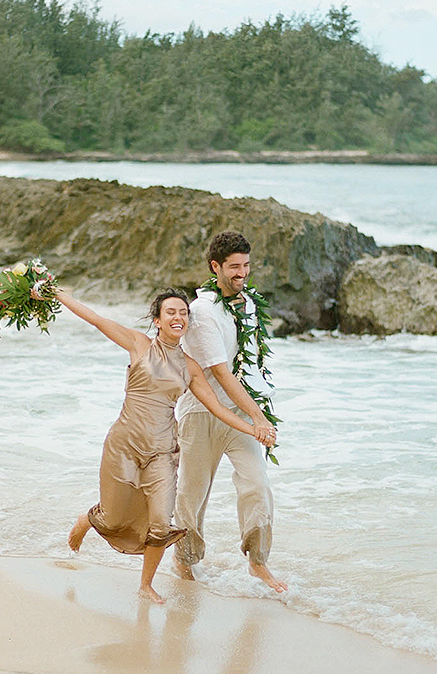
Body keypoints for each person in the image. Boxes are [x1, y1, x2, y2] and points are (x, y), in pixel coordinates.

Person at [48, 286, 276, 604]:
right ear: (157, 319)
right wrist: (57, 294)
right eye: (170, 312)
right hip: (124, 444)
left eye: (183, 313)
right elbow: (96, 320)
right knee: (113, 519)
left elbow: (218, 409)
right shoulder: (138, 345)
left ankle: (145, 585)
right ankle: (89, 519)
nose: (178, 317)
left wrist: (254, 429)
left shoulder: (190, 366)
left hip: (163, 450)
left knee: (160, 522)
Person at [173, 231, 288, 593]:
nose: (242, 273)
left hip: (239, 408)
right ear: (215, 267)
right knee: (192, 494)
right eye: (234, 267)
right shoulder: (202, 311)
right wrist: (258, 418)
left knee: (257, 484)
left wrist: (258, 405)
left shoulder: (248, 303)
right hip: (201, 413)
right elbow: (220, 371)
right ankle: (184, 562)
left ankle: (258, 562)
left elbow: (248, 364)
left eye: (246, 266)